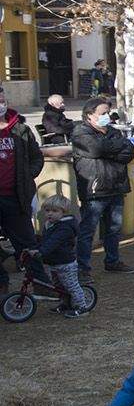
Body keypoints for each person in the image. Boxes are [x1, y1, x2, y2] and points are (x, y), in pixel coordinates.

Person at [71, 97, 134, 276]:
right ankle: (82, 267)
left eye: (108, 112)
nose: (107, 116)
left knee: (113, 228)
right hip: (94, 189)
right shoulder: (80, 132)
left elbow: (129, 152)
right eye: (103, 113)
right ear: (90, 115)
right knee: (88, 231)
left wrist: (109, 151)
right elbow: (95, 149)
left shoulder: (113, 132)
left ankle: (112, 261)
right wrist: (114, 149)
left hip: (116, 186)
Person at [0, 86, 46, 287]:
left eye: (2, 100)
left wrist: (28, 176)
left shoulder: (21, 129)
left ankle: (42, 284)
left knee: (27, 244)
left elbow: (37, 158)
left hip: (16, 198)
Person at [36, 196, 90, 316]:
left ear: (63, 212)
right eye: (47, 210)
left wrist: (41, 252)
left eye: (55, 211)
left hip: (65, 263)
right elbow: (44, 241)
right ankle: (66, 304)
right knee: (59, 287)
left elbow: (54, 242)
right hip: (52, 262)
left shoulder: (65, 227)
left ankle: (82, 307)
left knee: (71, 286)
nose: (50, 214)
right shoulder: (48, 225)